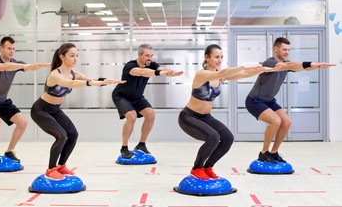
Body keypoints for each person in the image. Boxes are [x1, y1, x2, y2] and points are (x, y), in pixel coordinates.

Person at [178, 44, 277, 180]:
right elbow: (223, 72)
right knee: (213, 137)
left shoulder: (220, 77)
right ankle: (197, 168)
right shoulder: (201, 74)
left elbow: (244, 74)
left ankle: (208, 167)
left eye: (221, 57)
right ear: (206, 57)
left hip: (205, 117)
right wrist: (242, 66)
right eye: (216, 57)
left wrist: (262, 70)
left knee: (228, 138)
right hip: (188, 117)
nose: (219, 60)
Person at [30, 43, 125, 180]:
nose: (75, 59)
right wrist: (89, 83)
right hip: (41, 110)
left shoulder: (75, 74)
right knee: (61, 136)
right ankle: (51, 169)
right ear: (62, 57)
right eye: (72, 55)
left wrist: (108, 81)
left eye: (77, 56)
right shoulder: (55, 75)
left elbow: (91, 79)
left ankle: (61, 166)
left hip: (55, 110)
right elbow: (71, 84)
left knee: (73, 134)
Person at [245, 37, 336, 163]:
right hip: (255, 101)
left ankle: (274, 152)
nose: (287, 52)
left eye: (289, 50)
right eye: (284, 49)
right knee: (275, 121)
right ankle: (263, 153)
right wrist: (309, 64)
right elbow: (288, 65)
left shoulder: (286, 64)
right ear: (276, 49)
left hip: (269, 101)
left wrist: (317, 65)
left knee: (286, 122)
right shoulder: (270, 63)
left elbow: (300, 67)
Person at [0, 36, 50, 166]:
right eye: (9, 48)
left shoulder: (16, 63)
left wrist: (43, 65)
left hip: (3, 102)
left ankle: (10, 151)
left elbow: (29, 67)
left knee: (22, 122)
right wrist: (22, 65)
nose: (12, 51)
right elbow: (5, 67)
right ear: (1, 48)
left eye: (14, 49)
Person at [112, 44, 183, 159]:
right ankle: (124, 148)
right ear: (139, 55)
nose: (149, 58)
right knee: (132, 116)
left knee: (150, 114)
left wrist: (172, 72)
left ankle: (141, 145)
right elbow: (142, 72)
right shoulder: (130, 66)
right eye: (146, 56)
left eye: (151, 56)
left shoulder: (151, 64)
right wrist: (159, 73)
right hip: (121, 96)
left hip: (137, 97)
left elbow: (161, 69)